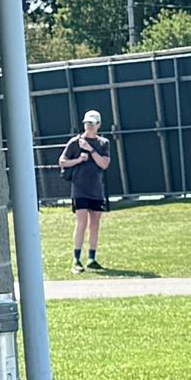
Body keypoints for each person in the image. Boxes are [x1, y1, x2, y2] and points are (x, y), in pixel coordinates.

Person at [58, 111, 111, 271]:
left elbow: (104, 164)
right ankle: (76, 259)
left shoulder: (103, 143)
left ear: (99, 125)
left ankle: (91, 259)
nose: (89, 126)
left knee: (94, 223)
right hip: (79, 187)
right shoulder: (75, 142)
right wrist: (78, 160)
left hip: (96, 188)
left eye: (92, 123)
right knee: (82, 222)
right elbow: (62, 161)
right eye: (87, 123)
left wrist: (90, 150)